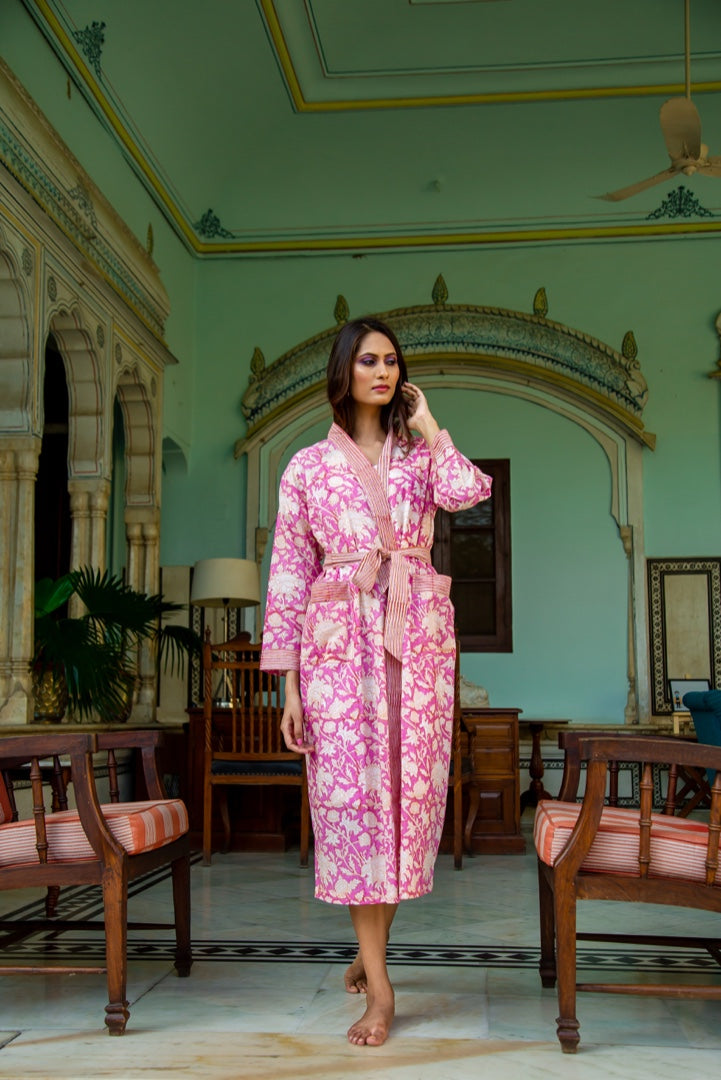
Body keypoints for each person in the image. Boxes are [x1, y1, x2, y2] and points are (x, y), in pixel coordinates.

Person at [260, 316, 492, 1046]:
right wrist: (288, 687)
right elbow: (288, 579)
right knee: (353, 806)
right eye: (368, 360)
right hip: (336, 650)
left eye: (392, 361)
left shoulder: (419, 458)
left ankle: (368, 957)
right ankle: (380, 985)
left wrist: (430, 426)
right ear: (344, 370)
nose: (383, 372)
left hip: (416, 644)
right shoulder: (304, 467)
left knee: (406, 808)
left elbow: (467, 492)